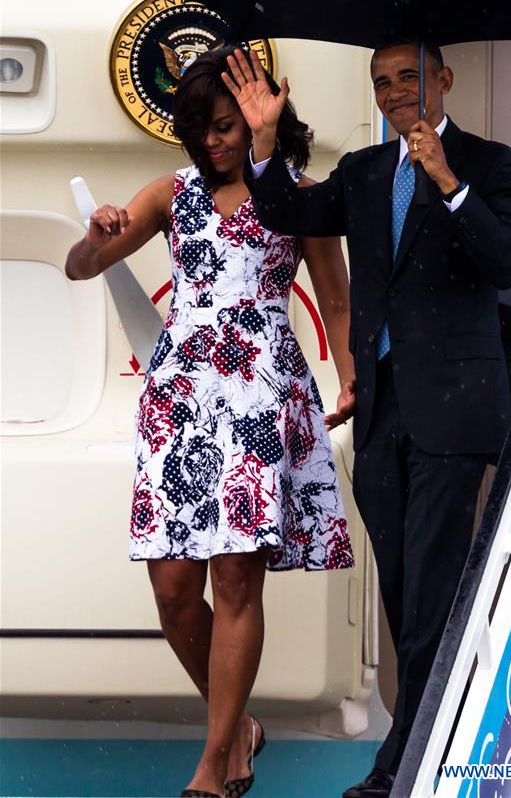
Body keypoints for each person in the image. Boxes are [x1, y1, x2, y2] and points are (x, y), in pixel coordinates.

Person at [222, 42, 511, 798]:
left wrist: (448, 182)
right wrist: (264, 140)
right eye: (382, 81)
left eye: (410, 78)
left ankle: (406, 761)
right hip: (382, 409)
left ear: (444, 81)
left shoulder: (490, 164)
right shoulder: (363, 169)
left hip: (454, 410)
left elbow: (509, 262)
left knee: (429, 592)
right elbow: (286, 212)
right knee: (401, 591)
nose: (396, 92)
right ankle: (429, 747)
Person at [65, 45, 355, 798]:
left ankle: (214, 760)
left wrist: (350, 375)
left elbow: (339, 302)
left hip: (260, 396)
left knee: (234, 578)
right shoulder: (171, 194)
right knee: (171, 591)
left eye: (226, 126)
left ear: (262, 116)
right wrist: (96, 235)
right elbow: (78, 267)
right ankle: (240, 726)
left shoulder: (299, 194)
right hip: (182, 402)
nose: (214, 142)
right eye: (201, 131)